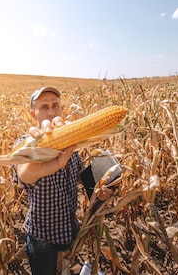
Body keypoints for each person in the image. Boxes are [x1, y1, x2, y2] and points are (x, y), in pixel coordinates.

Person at [14, 86, 113, 275]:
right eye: (44, 107)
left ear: (62, 110)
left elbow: (78, 176)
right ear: (33, 114)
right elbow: (24, 175)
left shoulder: (72, 146)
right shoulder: (25, 143)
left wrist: (101, 187)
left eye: (55, 106)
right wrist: (38, 156)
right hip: (43, 237)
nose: (51, 112)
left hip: (70, 229)